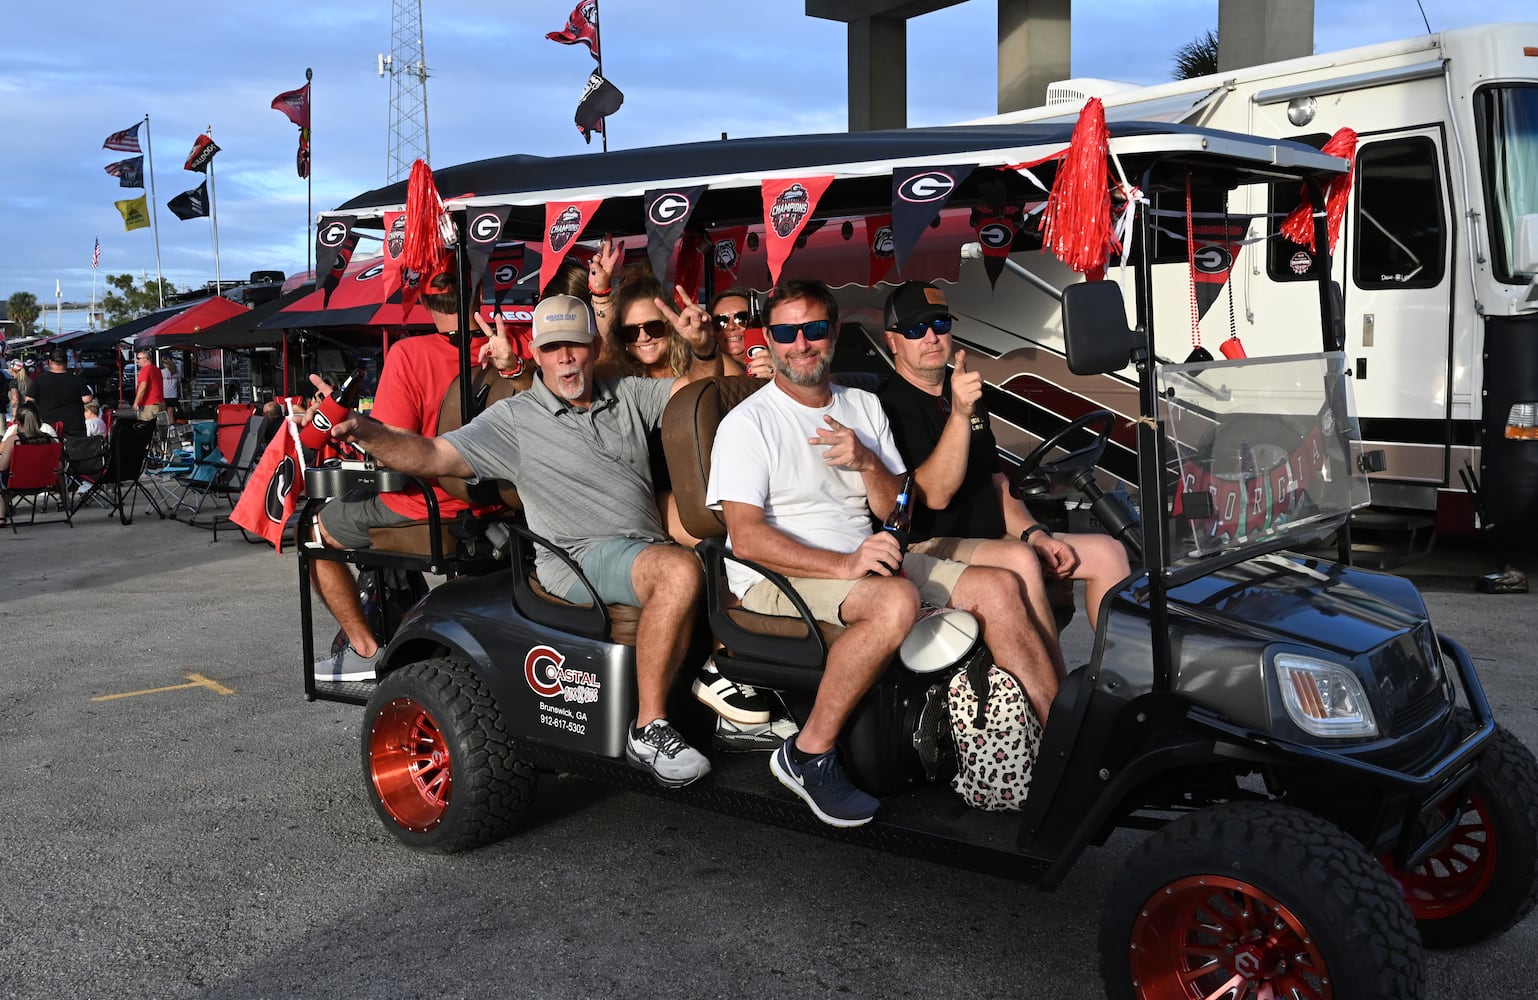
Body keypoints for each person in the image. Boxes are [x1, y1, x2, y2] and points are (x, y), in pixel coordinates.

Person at [706, 279, 1062, 829]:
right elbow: (747, 538)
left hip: (865, 559)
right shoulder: (748, 424)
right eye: (785, 332)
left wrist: (869, 462)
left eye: (814, 330)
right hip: (775, 574)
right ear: (770, 341)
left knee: (999, 585)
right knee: (895, 601)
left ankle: (1060, 742)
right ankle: (807, 753)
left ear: (834, 334)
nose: (801, 344)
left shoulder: (863, 406)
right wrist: (846, 565)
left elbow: (902, 512)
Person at [328, 295, 718, 788]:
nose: (565, 359)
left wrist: (704, 348)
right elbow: (433, 454)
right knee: (678, 570)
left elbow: (698, 396)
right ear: (535, 353)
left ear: (593, 347)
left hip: (640, 542)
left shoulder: (627, 394)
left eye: (574, 346)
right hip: (576, 557)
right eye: (553, 348)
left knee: (724, 533)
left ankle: (731, 689)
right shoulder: (514, 419)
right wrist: (369, 432)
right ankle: (650, 728)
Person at [876, 281, 1131, 649]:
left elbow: (997, 481)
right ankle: (1054, 694)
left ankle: (1121, 680)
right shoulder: (886, 405)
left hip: (993, 538)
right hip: (927, 545)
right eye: (916, 329)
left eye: (940, 324)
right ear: (892, 341)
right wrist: (960, 415)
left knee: (1109, 551)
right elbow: (935, 495)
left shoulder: (962, 389)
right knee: (1019, 557)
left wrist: (1036, 533)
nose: (931, 337)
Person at [308, 266, 490, 683]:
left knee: (314, 529)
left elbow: (390, 453)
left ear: (424, 301)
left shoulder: (410, 354)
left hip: (430, 502)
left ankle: (364, 648)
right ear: (478, 292)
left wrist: (343, 422)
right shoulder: (512, 348)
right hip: (502, 503)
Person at [27, 347, 91, 438]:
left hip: (48, 426)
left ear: (49, 362)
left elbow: (29, 400)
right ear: (66, 362)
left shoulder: (40, 379)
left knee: (51, 451)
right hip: (74, 426)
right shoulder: (76, 379)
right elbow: (87, 399)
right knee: (75, 451)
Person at [709, 288, 773, 379]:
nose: (731, 327)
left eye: (742, 319)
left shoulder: (782, 363)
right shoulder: (701, 372)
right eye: (721, 322)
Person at [133, 349, 165, 422]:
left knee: (145, 428)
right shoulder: (157, 369)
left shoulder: (145, 370)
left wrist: (136, 402)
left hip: (149, 404)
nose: (137, 361)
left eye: (138, 358)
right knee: (161, 428)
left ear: (146, 359)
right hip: (160, 402)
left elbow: (143, 387)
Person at [160, 358, 180, 424]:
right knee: (171, 412)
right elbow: (178, 383)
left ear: (165, 364)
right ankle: (172, 425)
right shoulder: (177, 372)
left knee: (162, 412)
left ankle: (165, 425)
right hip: (173, 394)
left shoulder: (162, 372)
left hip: (165, 394)